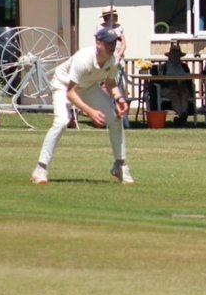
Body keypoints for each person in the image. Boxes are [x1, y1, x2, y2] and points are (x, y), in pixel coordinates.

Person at [31, 27, 134, 185]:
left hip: (88, 87)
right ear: (98, 44)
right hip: (63, 85)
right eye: (109, 43)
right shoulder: (84, 59)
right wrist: (91, 112)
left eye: (114, 42)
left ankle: (120, 165)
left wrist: (119, 98)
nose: (113, 46)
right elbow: (71, 93)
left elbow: (110, 82)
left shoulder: (113, 60)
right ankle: (40, 169)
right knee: (62, 122)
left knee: (115, 118)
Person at [160, 40, 195, 126]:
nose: (175, 56)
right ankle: (183, 116)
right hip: (169, 88)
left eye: (177, 54)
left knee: (185, 93)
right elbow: (161, 80)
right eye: (173, 54)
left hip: (182, 87)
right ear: (170, 56)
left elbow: (188, 79)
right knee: (174, 94)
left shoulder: (184, 66)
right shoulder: (164, 67)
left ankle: (181, 118)